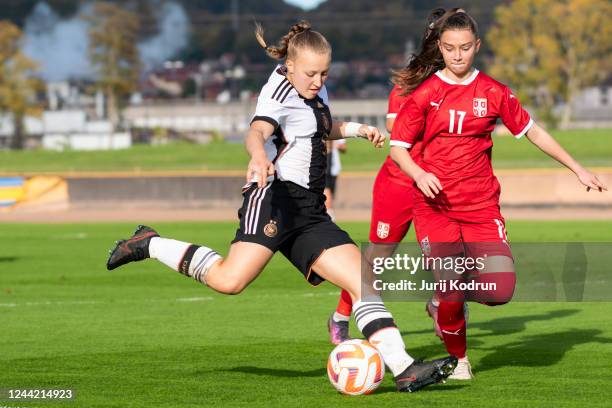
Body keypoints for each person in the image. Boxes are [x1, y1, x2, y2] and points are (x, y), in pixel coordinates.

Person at [105, 21, 457, 392]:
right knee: (229, 281)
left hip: (309, 210)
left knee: (364, 281)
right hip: (274, 197)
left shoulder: (315, 91)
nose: (318, 80)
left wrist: (356, 129)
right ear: (290, 66)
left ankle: (404, 368)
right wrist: (258, 157)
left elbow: (318, 127)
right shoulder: (278, 91)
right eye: (311, 73)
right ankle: (149, 243)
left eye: (324, 72)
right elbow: (256, 130)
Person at [387, 9, 607, 380]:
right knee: (452, 285)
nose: (458, 56)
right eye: (450, 48)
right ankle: (460, 359)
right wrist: (419, 172)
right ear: (440, 47)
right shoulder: (425, 94)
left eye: (466, 48)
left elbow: (534, 131)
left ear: (477, 46)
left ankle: (442, 300)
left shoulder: (493, 91)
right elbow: (397, 148)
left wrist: (577, 168)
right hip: (434, 208)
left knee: (499, 290)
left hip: (480, 205)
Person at [328, 8, 462, 346]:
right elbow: (394, 128)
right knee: (376, 261)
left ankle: (437, 304)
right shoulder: (412, 82)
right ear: (437, 43)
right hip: (401, 185)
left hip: (439, 186)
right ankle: (341, 315)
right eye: (449, 41)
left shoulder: (463, 83)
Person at [323, 139, 347, 220]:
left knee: (330, 193)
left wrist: (337, 145)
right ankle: (329, 215)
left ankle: (328, 214)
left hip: (334, 167)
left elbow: (344, 148)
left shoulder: (338, 132)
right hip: (325, 166)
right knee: (327, 190)